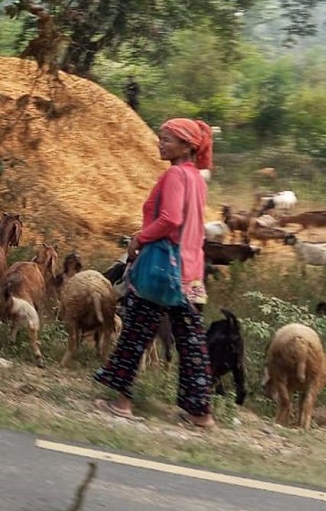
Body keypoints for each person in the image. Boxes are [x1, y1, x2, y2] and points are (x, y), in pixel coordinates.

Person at [94, 118, 215, 428]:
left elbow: (169, 219)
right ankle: (200, 413)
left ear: (186, 146)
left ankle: (122, 403)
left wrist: (139, 239)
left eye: (167, 139)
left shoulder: (174, 174)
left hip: (162, 271)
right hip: (192, 272)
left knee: (135, 332)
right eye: (161, 138)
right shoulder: (198, 179)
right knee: (192, 341)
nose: (160, 144)